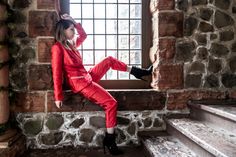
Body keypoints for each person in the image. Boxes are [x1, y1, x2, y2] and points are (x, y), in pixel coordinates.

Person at [51, 14, 152, 155]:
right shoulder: (57, 48)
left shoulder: (71, 44)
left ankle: (136, 72)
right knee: (111, 103)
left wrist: (73, 21)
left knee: (108, 60)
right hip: (80, 84)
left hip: (87, 76)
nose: (74, 32)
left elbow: (84, 35)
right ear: (63, 31)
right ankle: (110, 140)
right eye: (71, 29)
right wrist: (58, 96)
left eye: (74, 29)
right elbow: (56, 72)